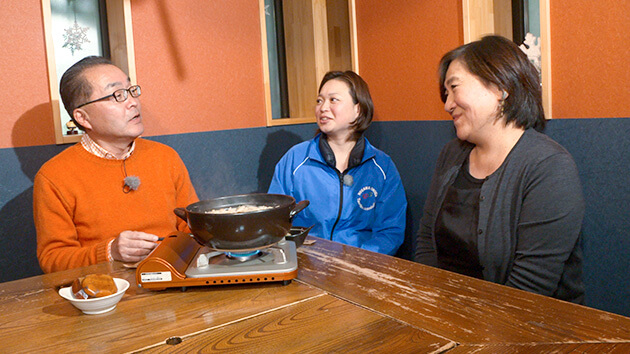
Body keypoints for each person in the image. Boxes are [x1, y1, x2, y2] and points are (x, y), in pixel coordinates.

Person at [415, 35, 585, 303]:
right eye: (445, 94)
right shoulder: (450, 155)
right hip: (447, 314)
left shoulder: (549, 166)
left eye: (454, 88)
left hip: (527, 328)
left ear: (500, 87)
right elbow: (426, 242)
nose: (447, 104)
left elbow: (529, 288)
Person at [34, 56, 198, 273]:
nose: (132, 102)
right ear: (83, 118)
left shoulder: (165, 157)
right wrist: (111, 251)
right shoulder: (54, 176)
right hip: (107, 293)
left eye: (131, 91)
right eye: (116, 95)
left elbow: (193, 227)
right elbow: (53, 260)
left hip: (176, 278)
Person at [268, 71, 407, 255]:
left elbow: (390, 232)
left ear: (358, 109)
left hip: (362, 269)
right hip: (305, 265)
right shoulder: (295, 160)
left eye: (333, 100)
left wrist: (357, 263)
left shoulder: (382, 167)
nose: (323, 108)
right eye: (319, 100)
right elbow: (273, 221)